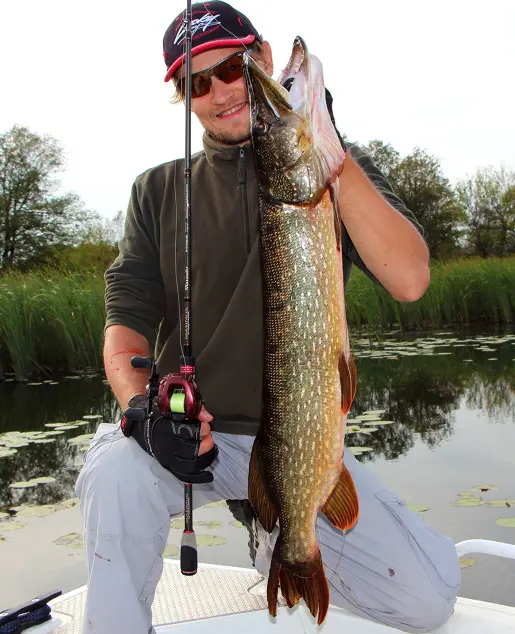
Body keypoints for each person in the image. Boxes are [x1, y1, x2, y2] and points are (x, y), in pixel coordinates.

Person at [75, 2, 461, 633]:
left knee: (426, 602)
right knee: (115, 469)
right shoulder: (157, 190)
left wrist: (332, 157)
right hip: (192, 437)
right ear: (184, 98)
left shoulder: (336, 173)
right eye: (198, 82)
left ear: (262, 57)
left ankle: (272, 531)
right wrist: (141, 410)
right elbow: (126, 318)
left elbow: (411, 279)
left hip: (296, 444)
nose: (223, 91)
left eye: (233, 67)